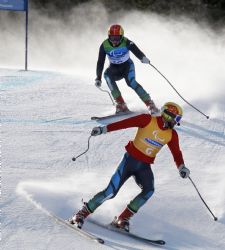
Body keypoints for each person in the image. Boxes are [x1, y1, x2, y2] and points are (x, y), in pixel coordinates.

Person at [69, 102, 190, 231]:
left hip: (144, 166)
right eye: (176, 118)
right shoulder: (147, 119)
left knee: (149, 190)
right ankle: (81, 214)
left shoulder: (172, 135)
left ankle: (123, 218)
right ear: (168, 114)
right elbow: (125, 123)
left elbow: (176, 153)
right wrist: (104, 129)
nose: (176, 122)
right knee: (110, 192)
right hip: (129, 161)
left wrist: (181, 167)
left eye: (178, 119)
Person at [95, 24, 159, 114]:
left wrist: (142, 58)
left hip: (127, 66)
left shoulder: (127, 42)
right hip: (114, 68)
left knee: (131, 83)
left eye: (117, 38)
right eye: (112, 38)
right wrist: (98, 77)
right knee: (107, 75)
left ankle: (150, 104)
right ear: (108, 37)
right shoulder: (104, 45)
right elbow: (100, 62)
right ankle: (121, 105)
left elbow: (136, 50)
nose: (115, 41)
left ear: (122, 37)